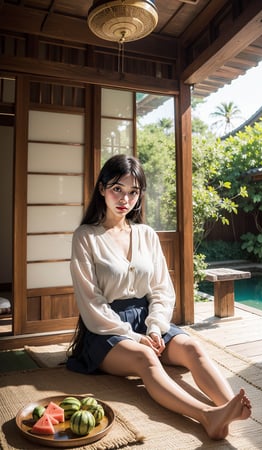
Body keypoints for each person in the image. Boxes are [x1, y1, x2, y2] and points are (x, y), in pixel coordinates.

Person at [67, 154, 252, 440]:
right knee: (145, 359)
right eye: (117, 188)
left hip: (148, 319)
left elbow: (162, 289)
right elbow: (91, 303)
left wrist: (154, 327)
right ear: (102, 188)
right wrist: (136, 337)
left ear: (139, 196)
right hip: (106, 330)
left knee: (193, 348)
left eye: (133, 192)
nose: (124, 199)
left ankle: (230, 406)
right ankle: (207, 416)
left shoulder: (146, 234)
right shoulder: (85, 237)